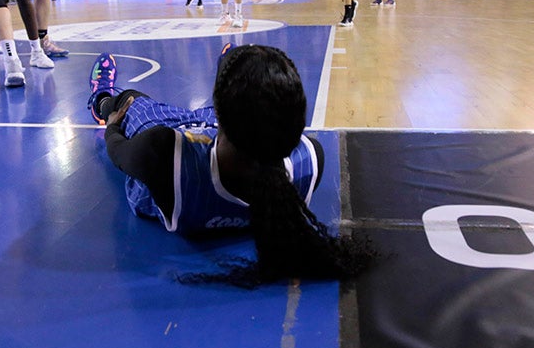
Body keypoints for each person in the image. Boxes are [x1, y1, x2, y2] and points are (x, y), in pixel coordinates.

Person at [86, 44, 373, 286]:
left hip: (184, 146)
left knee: (130, 101)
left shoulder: (163, 154)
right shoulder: (309, 162)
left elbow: (119, 152)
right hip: (225, 136)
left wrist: (111, 127)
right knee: (251, 106)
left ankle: (100, 97)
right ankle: (233, 69)